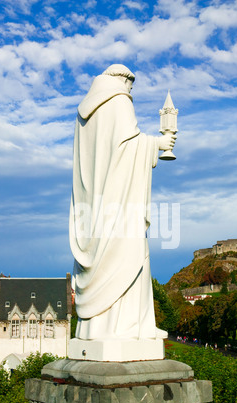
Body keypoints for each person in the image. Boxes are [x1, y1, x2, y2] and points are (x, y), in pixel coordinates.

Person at [69, 64, 176, 341]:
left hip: (95, 204)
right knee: (131, 256)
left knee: (115, 257)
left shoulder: (84, 113)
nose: (131, 92)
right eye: (131, 86)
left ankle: (101, 327)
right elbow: (127, 147)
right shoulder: (119, 101)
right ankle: (129, 328)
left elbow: (100, 157)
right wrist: (159, 143)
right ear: (123, 81)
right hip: (119, 202)